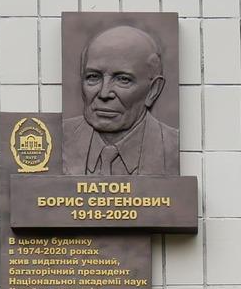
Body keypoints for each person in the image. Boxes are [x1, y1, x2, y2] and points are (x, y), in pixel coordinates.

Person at [61, 24, 180, 176]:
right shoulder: (56, 141)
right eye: (93, 77)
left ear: (153, 90)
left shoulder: (173, 147)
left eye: (123, 79)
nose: (104, 93)